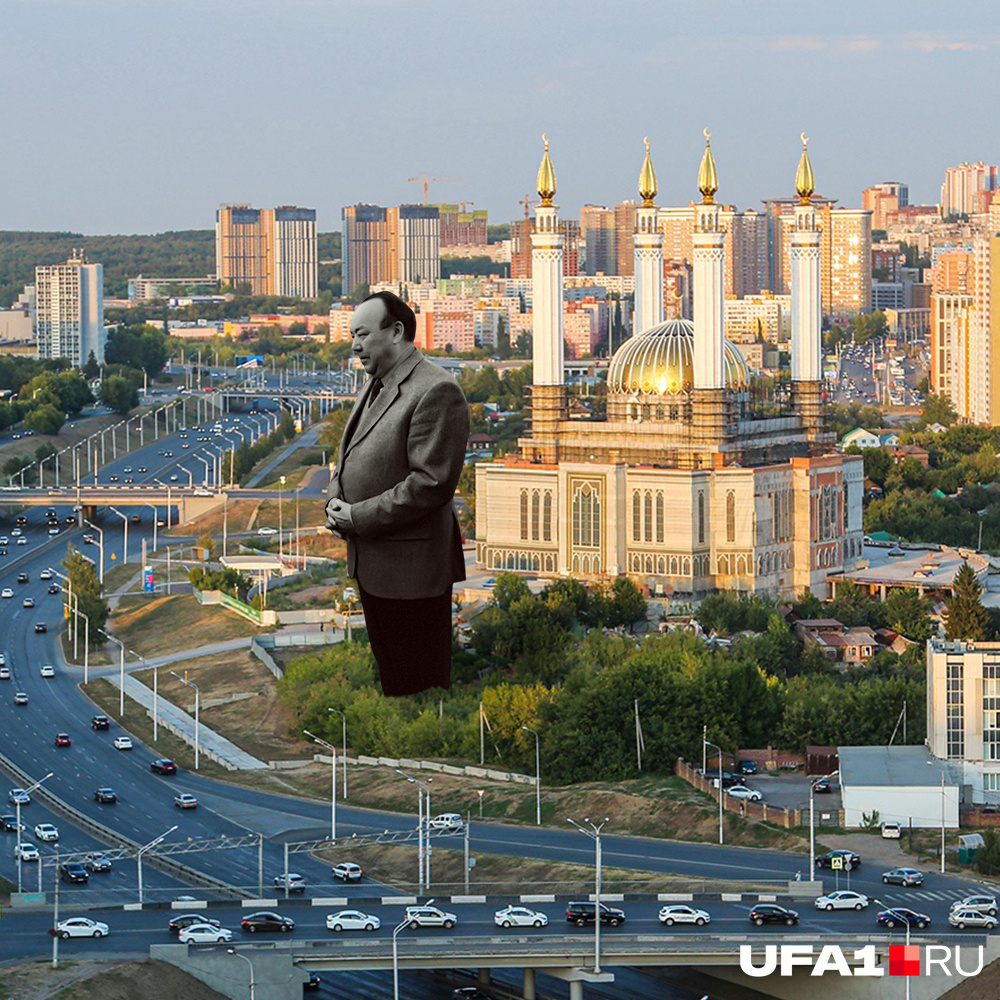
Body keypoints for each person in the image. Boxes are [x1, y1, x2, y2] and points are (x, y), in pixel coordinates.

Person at [325, 291, 469, 696]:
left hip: (412, 577)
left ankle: (417, 754)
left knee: (418, 688)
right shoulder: (377, 383)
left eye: (362, 334)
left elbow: (430, 485)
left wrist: (356, 516)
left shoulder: (436, 390)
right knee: (393, 682)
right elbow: (350, 450)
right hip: (375, 567)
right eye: (352, 335)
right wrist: (337, 500)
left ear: (397, 332)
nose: (354, 345)